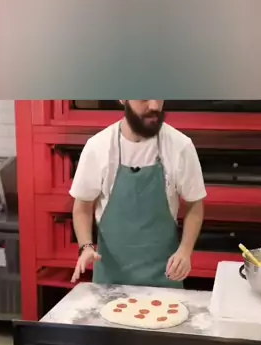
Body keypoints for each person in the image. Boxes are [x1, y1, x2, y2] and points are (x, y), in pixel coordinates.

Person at [70, 100, 206, 288]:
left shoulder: (180, 146)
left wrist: (185, 251)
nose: (154, 106)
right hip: (110, 283)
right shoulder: (98, 147)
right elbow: (82, 207)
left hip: (164, 280)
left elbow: (195, 205)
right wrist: (86, 247)